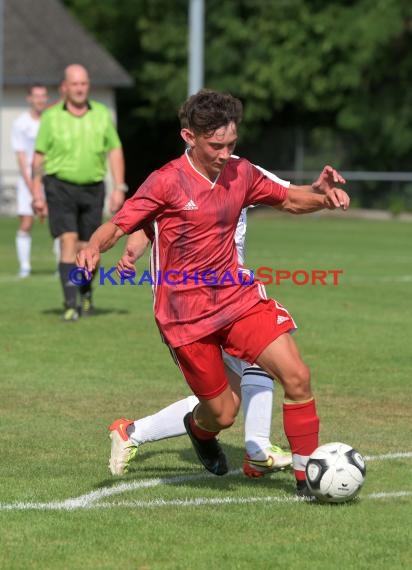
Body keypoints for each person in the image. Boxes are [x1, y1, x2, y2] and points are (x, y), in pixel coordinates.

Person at [78, 89, 349, 496]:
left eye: (231, 144)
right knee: (222, 412)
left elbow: (290, 199)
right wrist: (92, 247)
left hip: (236, 297)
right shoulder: (166, 181)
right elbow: (118, 226)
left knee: (297, 375)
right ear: (189, 136)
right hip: (184, 314)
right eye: (216, 145)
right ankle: (198, 430)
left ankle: (306, 478)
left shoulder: (241, 172)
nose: (225, 153)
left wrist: (322, 198)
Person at [31, 64, 127, 321]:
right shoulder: (51, 117)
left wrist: (119, 186)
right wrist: (36, 194)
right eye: (75, 84)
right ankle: (70, 304)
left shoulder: (101, 115)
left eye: (84, 83)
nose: (80, 88)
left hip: (93, 188)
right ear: (65, 87)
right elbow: (39, 158)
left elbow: (114, 150)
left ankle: (85, 294)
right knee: (68, 241)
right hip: (59, 185)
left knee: (89, 247)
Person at [11, 85, 49, 278]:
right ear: (29, 99)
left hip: (51, 177)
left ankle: (63, 266)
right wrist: (31, 185)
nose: (40, 99)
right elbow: (21, 156)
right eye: (36, 96)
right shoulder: (20, 123)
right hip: (28, 178)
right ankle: (25, 266)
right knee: (26, 223)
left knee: (59, 223)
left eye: (43, 96)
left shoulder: (52, 121)